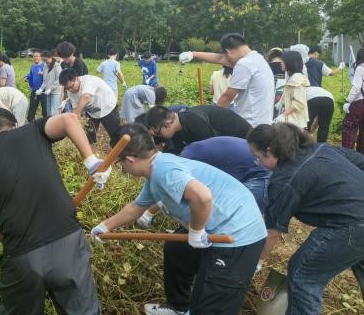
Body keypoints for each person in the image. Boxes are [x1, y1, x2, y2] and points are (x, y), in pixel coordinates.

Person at [92, 124, 267, 315]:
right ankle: (178, 307)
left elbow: (202, 197)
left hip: (238, 234)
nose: (122, 167)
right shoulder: (155, 171)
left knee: (210, 307)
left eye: (120, 162)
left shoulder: (163, 170)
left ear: (130, 159)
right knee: (177, 250)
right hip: (215, 223)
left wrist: (196, 231)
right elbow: (135, 208)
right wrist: (104, 227)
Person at [0, 110, 106, 314]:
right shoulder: (32, 131)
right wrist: (91, 160)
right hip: (67, 242)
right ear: (15, 125)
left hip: (21, 258)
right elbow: (69, 119)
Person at [247, 123, 364, 315]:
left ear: (268, 151)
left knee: (304, 275)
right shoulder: (320, 148)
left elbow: (272, 233)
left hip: (352, 225)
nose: (258, 163)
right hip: (355, 219)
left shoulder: (284, 180)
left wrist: (257, 263)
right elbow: (360, 161)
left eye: (257, 158)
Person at [137, 136, 271, 228]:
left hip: (261, 171)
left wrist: (147, 214)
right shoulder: (186, 155)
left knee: (236, 217)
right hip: (244, 164)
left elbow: (168, 190)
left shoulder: (177, 164)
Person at [180, 33, 274, 127]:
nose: (226, 61)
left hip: (250, 124)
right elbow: (221, 58)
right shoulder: (257, 59)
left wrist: (211, 120)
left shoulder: (245, 64)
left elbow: (227, 97)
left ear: (228, 51)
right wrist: (192, 54)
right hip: (263, 123)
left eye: (226, 56)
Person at [145, 105, 252, 155]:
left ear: (167, 124)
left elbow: (210, 153)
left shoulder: (194, 121)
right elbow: (176, 153)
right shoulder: (176, 128)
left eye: (157, 133)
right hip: (227, 145)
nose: (158, 136)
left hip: (247, 143)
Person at [59, 68, 121, 147]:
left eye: (71, 86)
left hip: (107, 108)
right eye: (67, 88)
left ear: (76, 78)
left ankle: (120, 152)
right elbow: (76, 108)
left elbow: (86, 97)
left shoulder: (88, 81)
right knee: (88, 136)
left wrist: (73, 116)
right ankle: (90, 152)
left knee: (116, 135)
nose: (70, 90)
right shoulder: (70, 91)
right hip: (92, 112)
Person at [275, 51, 309, 128]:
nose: (281, 63)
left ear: (290, 62)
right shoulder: (292, 77)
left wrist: (283, 115)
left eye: (283, 61)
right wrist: (280, 102)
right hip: (292, 121)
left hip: (295, 122)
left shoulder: (297, 79)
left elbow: (299, 103)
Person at [342, 47, 364, 153]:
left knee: (349, 127)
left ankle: (348, 154)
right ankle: (361, 156)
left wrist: (348, 101)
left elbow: (356, 87)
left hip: (360, 101)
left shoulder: (360, 67)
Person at [37, 50, 62, 117]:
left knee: (53, 113)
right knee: (48, 113)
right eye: (43, 60)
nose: (45, 62)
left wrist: (50, 89)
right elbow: (45, 80)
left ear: (51, 57)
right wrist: (41, 89)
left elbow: (59, 80)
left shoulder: (57, 66)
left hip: (56, 92)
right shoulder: (45, 66)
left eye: (46, 60)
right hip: (47, 92)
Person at [25, 51, 46, 122]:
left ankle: (46, 122)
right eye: (34, 56)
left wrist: (43, 73)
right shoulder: (33, 66)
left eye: (37, 56)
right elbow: (30, 74)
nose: (35, 58)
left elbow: (48, 76)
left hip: (43, 90)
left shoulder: (44, 65)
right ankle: (31, 122)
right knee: (32, 107)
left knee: (45, 108)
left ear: (41, 57)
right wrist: (27, 77)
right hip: (34, 90)